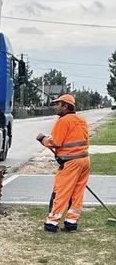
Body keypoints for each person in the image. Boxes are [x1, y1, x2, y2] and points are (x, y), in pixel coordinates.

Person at [36, 93, 90, 232]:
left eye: (58, 104)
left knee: (62, 190)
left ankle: (52, 222)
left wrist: (43, 139)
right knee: (78, 192)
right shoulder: (81, 119)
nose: (55, 107)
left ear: (66, 106)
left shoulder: (63, 121)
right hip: (84, 160)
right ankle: (71, 222)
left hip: (71, 162)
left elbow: (56, 142)